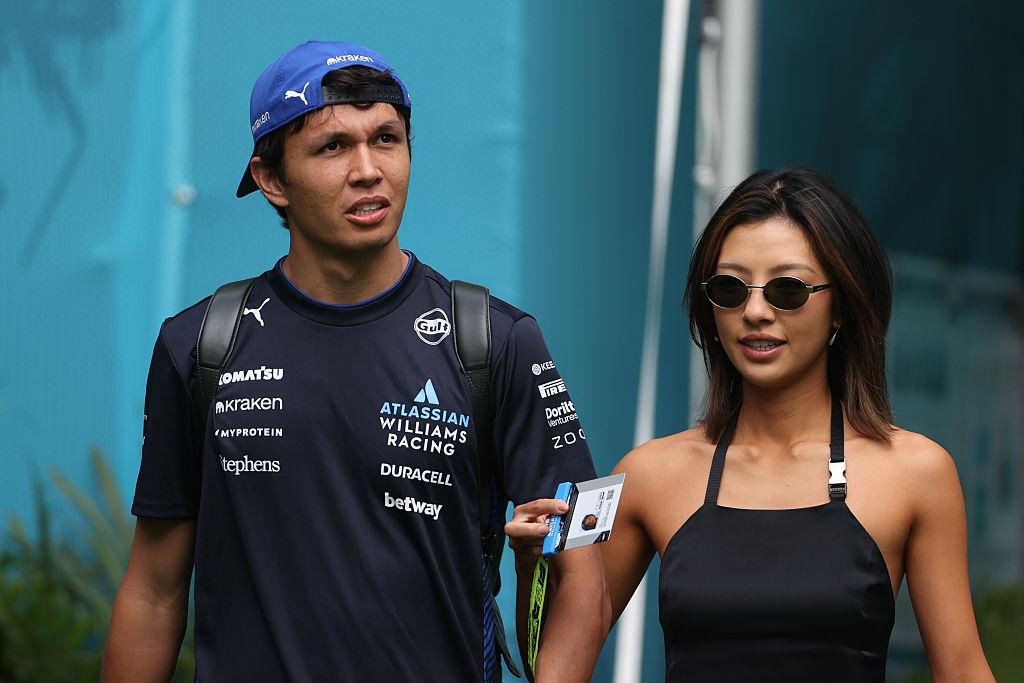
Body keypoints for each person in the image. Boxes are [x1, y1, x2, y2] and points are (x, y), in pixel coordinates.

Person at [103, 40, 608, 682]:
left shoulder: (495, 340)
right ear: (271, 180)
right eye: (333, 146)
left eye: (387, 139)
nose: (368, 170)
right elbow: (153, 591)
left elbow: (583, 575)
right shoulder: (201, 344)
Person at [507, 167, 995, 681]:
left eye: (788, 290)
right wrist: (532, 565)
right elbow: (552, 667)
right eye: (730, 288)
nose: (756, 311)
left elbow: (963, 669)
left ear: (842, 307)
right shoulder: (647, 474)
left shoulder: (917, 472)